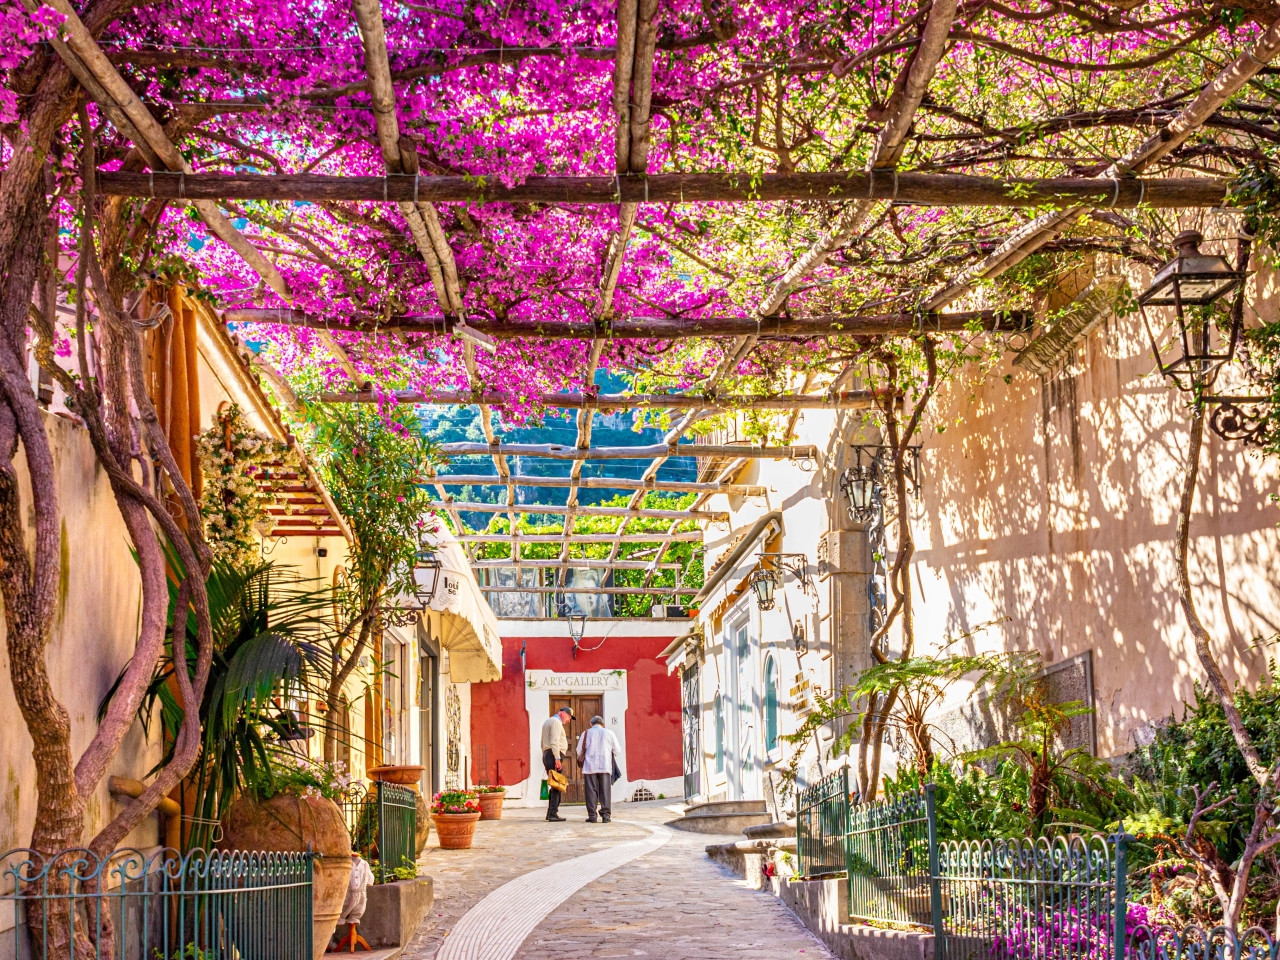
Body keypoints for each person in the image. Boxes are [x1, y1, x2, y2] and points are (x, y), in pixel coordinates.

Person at [577, 715, 622, 823]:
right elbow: (617, 750)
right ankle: (606, 816)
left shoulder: (586, 733)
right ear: (602, 724)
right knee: (605, 791)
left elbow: (579, 750)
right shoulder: (609, 733)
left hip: (590, 766)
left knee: (591, 791)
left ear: (591, 724)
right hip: (605, 765)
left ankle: (592, 816)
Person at [540, 705, 573, 822]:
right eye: (569, 717)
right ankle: (553, 813)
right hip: (553, 755)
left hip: (548, 754)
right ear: (563, 713)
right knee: (556, 785)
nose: (569, 720)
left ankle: (550, 813)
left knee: (554, 784)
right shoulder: (556, 722)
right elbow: (554, 741)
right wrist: (557, 759)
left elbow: (542, 742)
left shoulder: (548, 721)